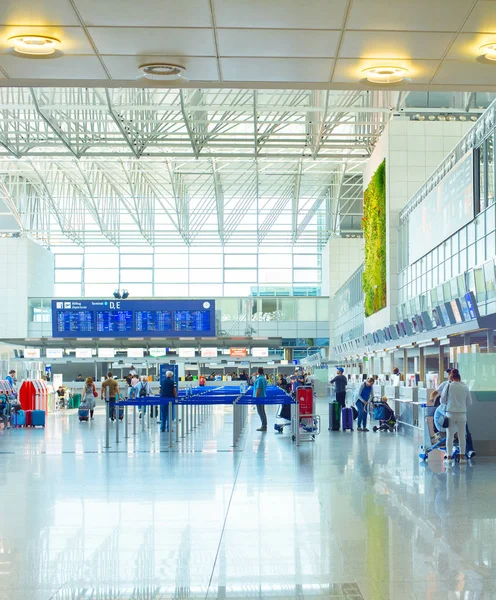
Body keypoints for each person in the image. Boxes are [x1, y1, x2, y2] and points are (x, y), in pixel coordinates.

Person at [440, 368, 471, 463]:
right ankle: (462, 457)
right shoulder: (465, 387)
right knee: (462, 435)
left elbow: (442, 401)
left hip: (450, 414)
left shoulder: (448, 386)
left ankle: (449, 457)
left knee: (450, 436)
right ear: (459, 378)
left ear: (451, 378)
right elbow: (469, 402)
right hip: (462, 414)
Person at [253, 367, 268, 432]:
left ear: (258, 371)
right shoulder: (263, 378)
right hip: (263, 396)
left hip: (259, 397)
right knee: (262, 411)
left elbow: (258, 389)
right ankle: (264, 425)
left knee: (260, 412)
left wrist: (256, 398)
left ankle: (263, 426)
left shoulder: (259, 379)